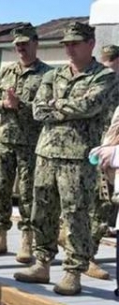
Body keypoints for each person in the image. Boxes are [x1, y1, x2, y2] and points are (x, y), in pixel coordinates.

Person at [13, 22, 117, 295]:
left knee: (75, 215)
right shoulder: (54, 75)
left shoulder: (104, 76)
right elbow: (38, 110)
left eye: (75, 43)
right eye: (66, 44)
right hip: (46, 152)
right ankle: (42, 263)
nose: (70, 48)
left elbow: (89, 105)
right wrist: (65, 107)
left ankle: (73, 271)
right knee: (42, 211)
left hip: (79, 156)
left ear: (90, 43)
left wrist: (56, 105)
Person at [0, 23, 52, 263]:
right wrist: (3, 104)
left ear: (35, 43)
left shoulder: (47, 75)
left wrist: (20, 105)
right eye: (17, 45)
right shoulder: (5, 72)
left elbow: (46, 110)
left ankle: (26, 241)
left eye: (25, 43)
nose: (21, 48)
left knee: (27, 195)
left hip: (30, 145)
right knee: (0, 190)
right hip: (4, 141)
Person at [85, 44, 119, 280]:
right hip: (95, 151)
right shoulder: (94, 83)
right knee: (98, 207)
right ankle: (86, 258)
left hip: (110, 155)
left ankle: (86, 254)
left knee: (105, 208)